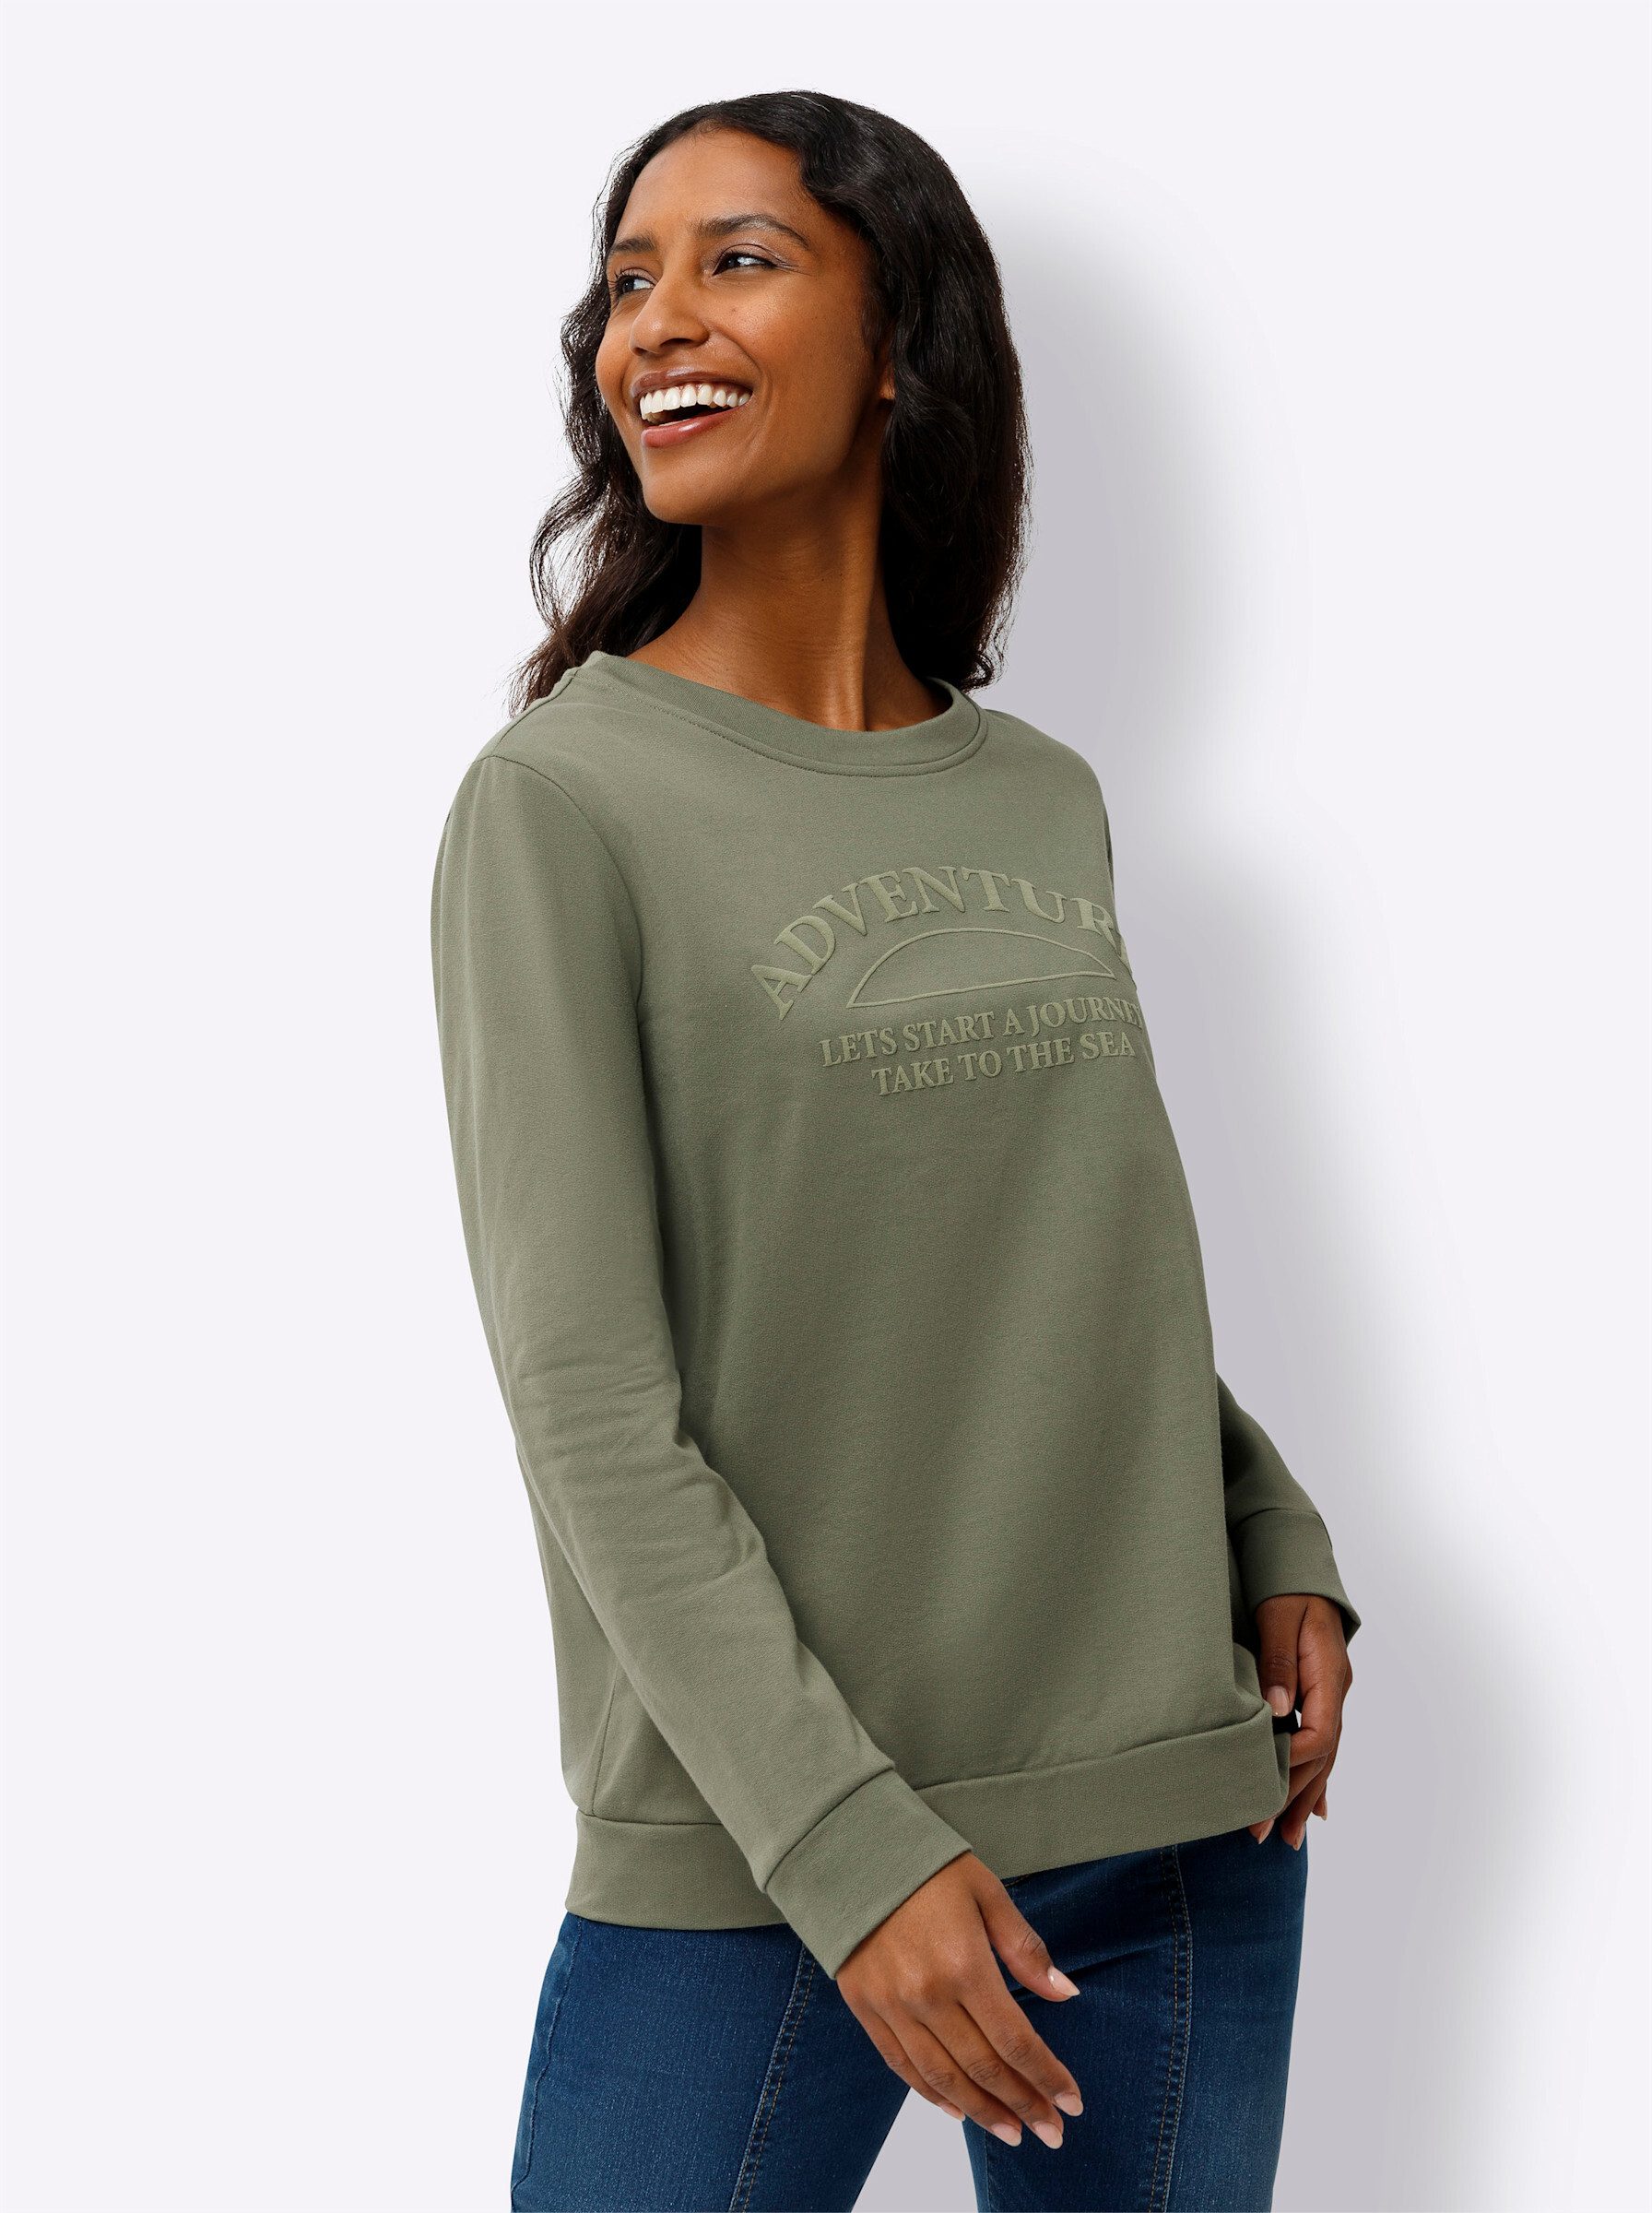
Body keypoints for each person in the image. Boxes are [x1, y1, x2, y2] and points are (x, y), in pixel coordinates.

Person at [430, 89, 1360, 2213]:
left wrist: (1269, 1520)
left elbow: (1067, 1254)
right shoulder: (564, 808)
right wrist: (848, 1848)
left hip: (1171, 1807)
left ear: (896, 347)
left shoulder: (1036, 794)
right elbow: (587, 1403)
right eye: (627, 279)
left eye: (736, 259)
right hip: (772, 1843)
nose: (654, 318)